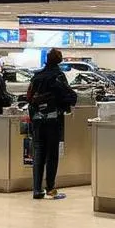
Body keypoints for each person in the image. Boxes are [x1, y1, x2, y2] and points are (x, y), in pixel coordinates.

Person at [27, 48, 78, 200]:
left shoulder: (37, 76)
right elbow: (68, 95)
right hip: (53, 118)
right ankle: (50, 188)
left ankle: (36, 189)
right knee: (52, 155)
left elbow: (29, 96)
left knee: (38, 153)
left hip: (37, 119)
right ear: (59, 60)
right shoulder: (58, 76)